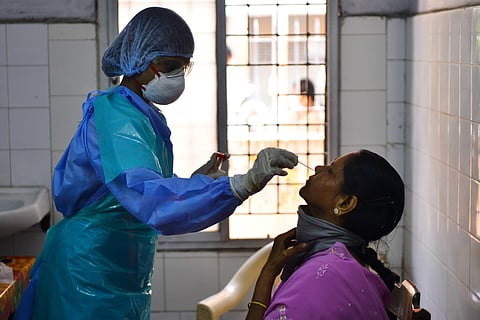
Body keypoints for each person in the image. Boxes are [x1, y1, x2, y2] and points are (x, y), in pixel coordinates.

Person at [14, 7, 298, 320]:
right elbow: (149, 197)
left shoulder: (141, 114)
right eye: (168, 65)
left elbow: (137, 189)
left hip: (119, 266)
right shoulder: (116, 116)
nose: (176, 75)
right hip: (89, 271)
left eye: (182, 66)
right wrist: (238, 186)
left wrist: (196, 180)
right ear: (138, 61)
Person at [245, 149, 405, 320]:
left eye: (330, 171)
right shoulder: (337, 264)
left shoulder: (323, 277)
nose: (318, 167)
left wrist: (268, 272)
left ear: (345, 203)